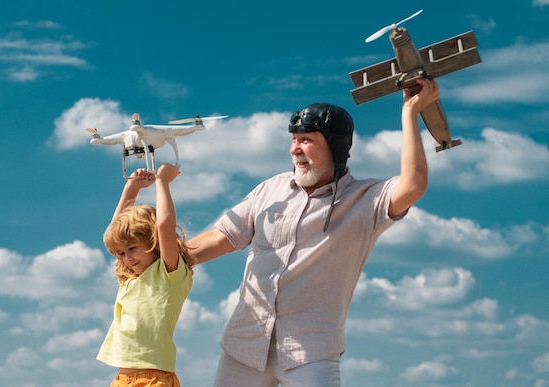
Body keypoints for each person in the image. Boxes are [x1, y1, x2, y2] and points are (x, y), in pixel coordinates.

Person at [188, 78, 439, 387]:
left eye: (306, 140)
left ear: (336, 147)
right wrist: (158, 260)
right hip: (245, 343)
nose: (295, 149)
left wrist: (410, 113)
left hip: (311, 351)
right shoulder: (271, 189)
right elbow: (219, 239)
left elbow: (413, 184)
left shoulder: (366, 200)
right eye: (294, 140)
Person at [97, 164, 195, 387]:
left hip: (153, 380)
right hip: (123, 380)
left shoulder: (168, 275)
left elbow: (165, 226)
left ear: (153, 241)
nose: (127, 258)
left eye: (132, 248)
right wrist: (131, 187)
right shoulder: (129, 278)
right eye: (122, 253)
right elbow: (114, 232)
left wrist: (162, 182)